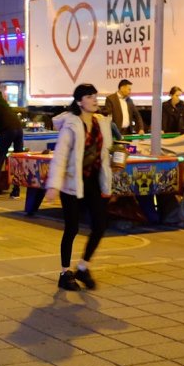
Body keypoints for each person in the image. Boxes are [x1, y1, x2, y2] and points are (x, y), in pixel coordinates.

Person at [44, 83, 113, 291]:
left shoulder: (101, 123)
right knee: (72, 228)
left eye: (95, 96)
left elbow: (105, 152)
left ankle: (83, 267)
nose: (94, 100)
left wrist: (113, 167)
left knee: (100, 225)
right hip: (72, 183)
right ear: (79, 101)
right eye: (89, 96)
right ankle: (65, 273)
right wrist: (54, 185)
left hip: (93, 181)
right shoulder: (72, 125)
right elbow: (61, 156)